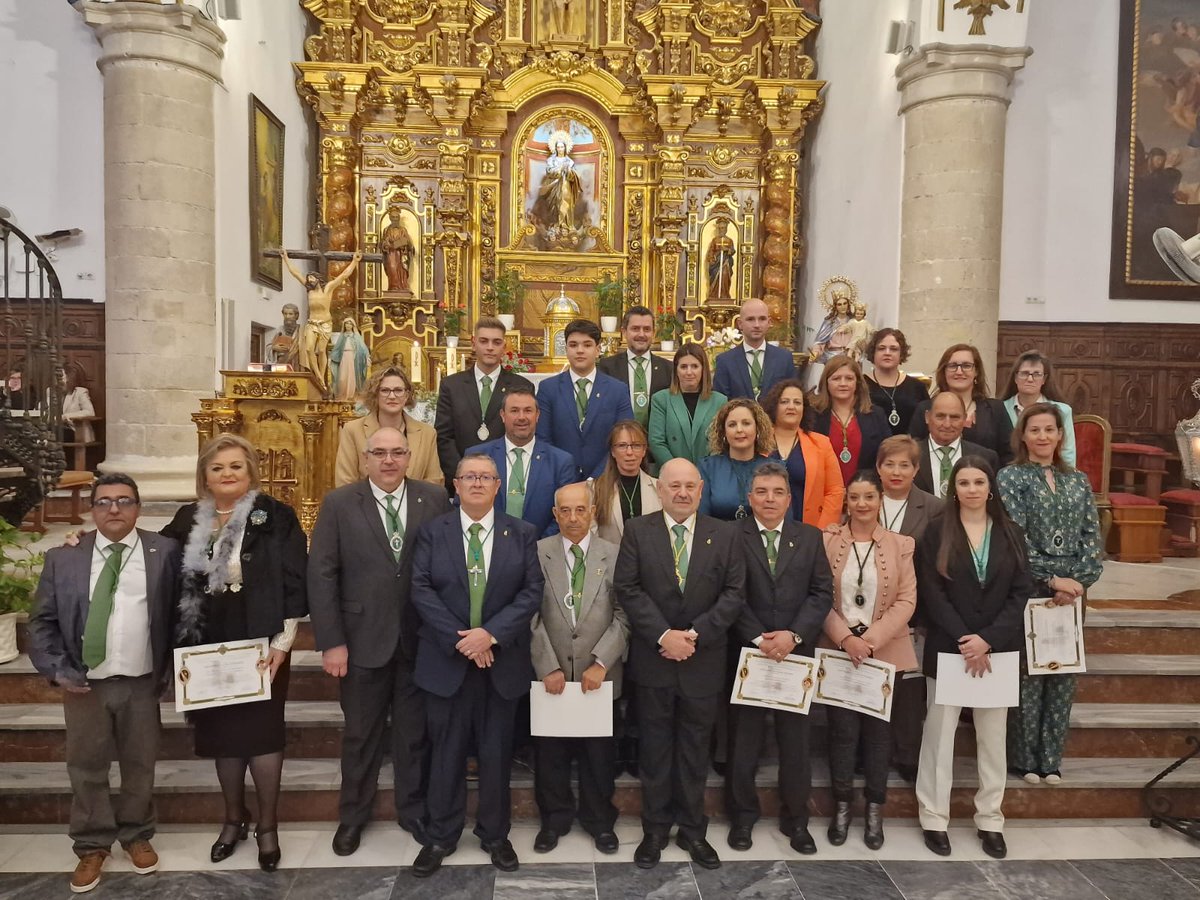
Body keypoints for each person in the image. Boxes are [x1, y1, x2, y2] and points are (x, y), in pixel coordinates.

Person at [28, 473, 181, 894]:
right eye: (104, 502)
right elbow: (42, 621)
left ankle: (136, 833)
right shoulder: (64, 557)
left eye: (124, 501)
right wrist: (58, 669)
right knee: (86, 765)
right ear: (91, 509)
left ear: (138, 507)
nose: (114, 509)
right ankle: (93, 843)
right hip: (85, 684)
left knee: (140, 762)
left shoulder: (164, 551)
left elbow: (181, 610)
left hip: (141, 681)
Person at [166, 434, 308, 873]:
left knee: (262, 735)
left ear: (251, 472)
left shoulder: (274, 516)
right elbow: (154, 561)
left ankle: (267, 827)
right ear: (204, 476)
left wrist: (283, 646)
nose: (227, 474)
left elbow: (293, 582)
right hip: (206, 643)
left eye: (236, 467)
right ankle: (233, 820)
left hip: (260, 640)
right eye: (218, 468)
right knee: (223, 734)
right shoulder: (187, 518)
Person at [308, 426, 450, 857]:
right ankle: (353, 816)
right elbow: (322, 574)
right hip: (360, 642)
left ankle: (411, 810)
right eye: (380, 453)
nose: (389, 461)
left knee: (412, 736)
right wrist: (331, 642)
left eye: (397, 453)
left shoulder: (434, 499)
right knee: (361, 735)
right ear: (365, 458)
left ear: (410, 457)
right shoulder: (338, 503)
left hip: (417, 641)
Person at [408, 454, 543, 877]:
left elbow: (531, 591)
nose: (478, 483)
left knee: (496, 752)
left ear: (498, 485)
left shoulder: (521, 533)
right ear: (456, 484)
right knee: (445, 753)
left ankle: (494, 834)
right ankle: (440, 836)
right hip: (447, 662)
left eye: (486, 477)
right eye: (470, 477)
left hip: (500, 663)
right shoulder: (433, 532)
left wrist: (491, 634)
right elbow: (422, 588)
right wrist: (464, 641)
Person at [614, 458, 745, 871]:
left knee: (693, 751)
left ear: (701, 490)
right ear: (660, 490)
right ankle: (654, 831)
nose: (683, 493)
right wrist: (663, 635)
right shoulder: (637, 531)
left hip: (702, 661)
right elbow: (628, 588)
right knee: (654, 749)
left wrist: (694, 636)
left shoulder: (724, 535)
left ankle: (692, 830)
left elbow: (734, 593)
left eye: (690, 486)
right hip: (654, 661)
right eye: (675, 486)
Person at [916, 457, 1032, 861]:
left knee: (993, 740)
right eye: (963, 482)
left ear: (990, 487)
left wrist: (989, 640)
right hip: (951, 649)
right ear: (954, 489)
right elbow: (932, 593)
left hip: (997, 652)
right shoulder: (936, 532)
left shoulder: (1011, 533)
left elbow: (1021, 592)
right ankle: (933, 817)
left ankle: (990, 820)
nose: (971, 489)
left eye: (978, 481)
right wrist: (968, 640)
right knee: (939, 736)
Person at [725, 462, 832, 856]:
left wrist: (793, 635)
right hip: (748, 655)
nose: (770, 499)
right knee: (744, 741)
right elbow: (727, 593)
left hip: (795, 656)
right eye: (762, 492)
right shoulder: (731, 535)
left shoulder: (809, 537)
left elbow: (821, 593)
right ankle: (742, 817)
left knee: (795, 744)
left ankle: (796, 821)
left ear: (789, 499)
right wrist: (758, 637)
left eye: (777, 492)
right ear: (749, 497)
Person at [999, 403, 1102, 785]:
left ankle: (1051, 759)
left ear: (1060, 435)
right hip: (1031, 588)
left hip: (1074, 592)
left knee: (1063, 674)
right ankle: (1025, 760)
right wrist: (1050, 580)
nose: (1042, 436)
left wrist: (1079, 581)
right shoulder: (1010, 478)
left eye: (1049, 429)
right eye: (1035, 430)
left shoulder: (1078, 480)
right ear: (1023, 435)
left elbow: (1092, 535)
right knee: (1029, 674)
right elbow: (1015, 537)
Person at [530, 482, 630, 855]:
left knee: (599, 756)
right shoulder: (538, 553)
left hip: (598, 678)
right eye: (565, 511)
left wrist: (603, 661)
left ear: (592, 513)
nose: (573, 518)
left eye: (580, 510)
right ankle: (553, 820)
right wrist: (547, 666)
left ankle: (599, 821)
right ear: (555, 515)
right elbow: (530, 613)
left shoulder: (615, 555)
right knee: (550, 756)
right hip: (551, 677)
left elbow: (624, 614)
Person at [820, 470, 917, 851]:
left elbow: (907, 599)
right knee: (842, 734)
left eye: (869, 497)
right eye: (855, 497)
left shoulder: (901, 544)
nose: (862, 504)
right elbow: (817, 595)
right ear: (847, 502)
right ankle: (842, 807)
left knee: (879, 737)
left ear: (880, 501)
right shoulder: (827, 540)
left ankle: (875, 809)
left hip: (883, 652)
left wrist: (871, 640)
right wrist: (845, 638)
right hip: (838, 648)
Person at [875, 435, 943, 782]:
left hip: (913, 611)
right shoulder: (865, 500)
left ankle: (906, 753)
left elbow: (936, 563)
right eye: (889, 464)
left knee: (909, 689)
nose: (896, 471)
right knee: (872, 682)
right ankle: (872, 752)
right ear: (878, 467)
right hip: (868, 612)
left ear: (917, 469)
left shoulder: (933, 508)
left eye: (904, 465)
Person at [435, 316, 534, 492]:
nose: (490, 347)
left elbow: (523, 435)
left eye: (496, 342)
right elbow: (444, 437)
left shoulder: (521, 386)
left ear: (504, 347)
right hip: (462, 481)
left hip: (505, 480)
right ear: (474, 344)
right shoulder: (451, 385)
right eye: (484, 341)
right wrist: (462, 475)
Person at [468, 386, 576, 537]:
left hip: (540, 551)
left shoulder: (560, 462)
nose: (521, 417)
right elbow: (464, 506)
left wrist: (538, 546)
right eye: (514, 410)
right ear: (502, 415)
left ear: (537, 415)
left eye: (528, 410)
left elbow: (566, 513)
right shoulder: (477, 457)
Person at [536, 319, 634, 479]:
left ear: (597, 349)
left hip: (605, 480)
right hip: (559, 479)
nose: (579, 350)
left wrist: (595, 478)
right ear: (566, 348)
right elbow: (542, 438)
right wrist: (565, 475)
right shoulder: (549, 389)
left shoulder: (617, 390)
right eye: (573, 345)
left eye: (587, 345)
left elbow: (624, 439)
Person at [335, 365, 442, 487]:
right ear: (375, 395)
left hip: (415, 504)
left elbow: (434, 482)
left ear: (407, 395)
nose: (392, 396)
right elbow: (345, 482)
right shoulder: (352, 430)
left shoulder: (427, 433)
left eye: (398, 390)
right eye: (385, 390)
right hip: (364, 504)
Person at [909, 344, 1014, 467]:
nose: (959, 371)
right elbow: (913, 449)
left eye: (966, 366)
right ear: (944, 371)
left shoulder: (996, 409)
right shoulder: (925, 408)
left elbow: (1009, 454)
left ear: (976, 372)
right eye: (953, 366)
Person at [760, 379, 844, 527]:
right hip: (764, 527)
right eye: (784, 402)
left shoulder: (822, 443)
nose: (791, 407)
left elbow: (834, 491)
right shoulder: (758, 442)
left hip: (808, 530)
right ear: (774, 406)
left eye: (797, 402)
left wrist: (820, 531)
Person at [280, 248, 363, 391]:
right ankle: (318, 376)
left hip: (325, 324)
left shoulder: (328, 289)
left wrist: (355, 261)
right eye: (308, 278)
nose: (308, 279)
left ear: (318, 279)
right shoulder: (309, 290)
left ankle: (321, 377)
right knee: (309, 348)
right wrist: (285, 258)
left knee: (322, 350)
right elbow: (295, 273)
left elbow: (343, 275)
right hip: (312, 323)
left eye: (311, 278)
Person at [811, 355, 891, 485]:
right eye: (836, 378)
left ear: (857, 382)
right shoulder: (813, 416)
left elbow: (886, 455)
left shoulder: (876, 415)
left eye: (849, 378)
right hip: (824, 492)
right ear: (826, 382)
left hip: (865, 494)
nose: (843, 383)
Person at [648, 343, 727, 469]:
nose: (689, 372)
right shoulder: (661, 400)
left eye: (695, 366)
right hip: (671, 474)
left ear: (703, 369)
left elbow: (721, 441)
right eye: (683, 367)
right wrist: (677, 469)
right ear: (676, 370)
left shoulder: (720, 401)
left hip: (708, 473)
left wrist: (706, 470)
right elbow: (656, 441)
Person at [597, 305, 672, 429]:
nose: (641, 334)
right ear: (624, 332)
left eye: (647, 329)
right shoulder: (607, 367)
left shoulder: (668, 369)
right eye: (635, 329)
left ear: (653, 333)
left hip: (656, 443)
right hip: (619, 442)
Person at [913, 392, 999, 500]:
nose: (947, 424)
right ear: (927, 417)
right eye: (940, 416)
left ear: (964, 419)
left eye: (954, 417)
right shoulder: (910, 455)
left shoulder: (986, 458)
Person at [698, 398, 774, 520]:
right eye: (732, 424)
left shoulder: (774, 468)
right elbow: (702, 518)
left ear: (757, 429)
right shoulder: (708, 467)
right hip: (718, 536)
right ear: (724, 432)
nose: (739, 429)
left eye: (746, 423)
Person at [999, 350, 1077, 467]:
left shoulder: (1062, 411)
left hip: (1051, 476)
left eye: (1036, 374)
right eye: (1024, 373)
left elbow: (1067, 454)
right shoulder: (1000, 408)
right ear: (1015, 378)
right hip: (1008, 475)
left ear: (1044, 379)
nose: (1030, 379)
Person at [712, 298, 797, 400]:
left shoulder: (784, 359)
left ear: (769, 322)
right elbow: (721, 403)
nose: (757, 325)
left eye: (762, 319)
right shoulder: (725, 361)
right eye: (750, 319)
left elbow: (792, 396)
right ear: (740, 324)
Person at [593, 420, 661, 545]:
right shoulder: (594, 489)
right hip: (610, 562)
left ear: (644, 450)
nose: (629, 452)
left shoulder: (659, 489)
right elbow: (592, 539)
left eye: (636, 445)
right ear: (613, 451)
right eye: (622, 446)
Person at [865, 328, 929, 435]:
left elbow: (926, 422)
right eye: (881, 348)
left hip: (910, 448)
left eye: (893, 349)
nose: (887, 353)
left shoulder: (917, 386)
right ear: (873, 352)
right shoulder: (860, 385)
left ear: (901, 353)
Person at [329, 317, 371, 402]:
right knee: (342, 377)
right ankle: (342, 395)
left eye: (350, 323)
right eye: (346, 323)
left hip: (353, 358)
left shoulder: (356, 336)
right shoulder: (342, 336)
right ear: (344, 325)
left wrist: (366, 357)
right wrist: (331, 358)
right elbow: (337, 348)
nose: (348, 325)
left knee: (352, 376)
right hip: (344, 357)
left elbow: (362, 347)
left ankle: (351, 395)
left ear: (353, 325)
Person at [61, 366, 96, 444]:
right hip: (56, 428)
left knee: (54, 435)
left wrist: (67, 416)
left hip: (75, 430)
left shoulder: (80, 392)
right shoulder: (51, 392)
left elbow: (90, 412)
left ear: (69, 378)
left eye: (61, 376)